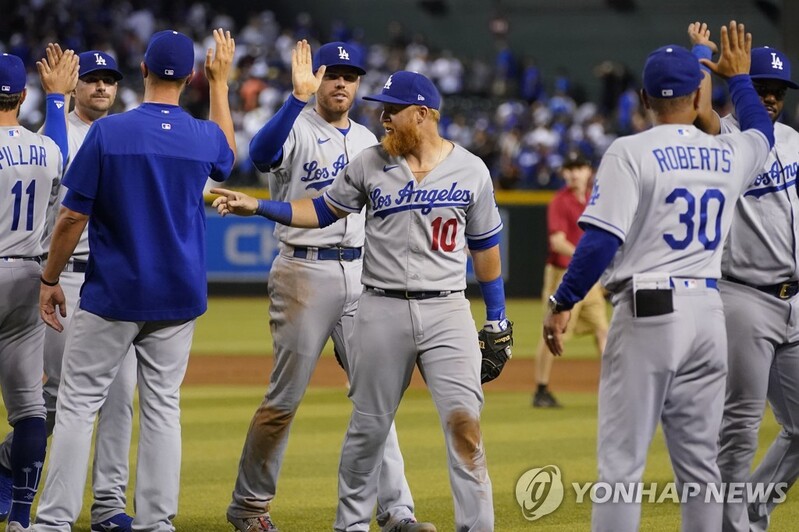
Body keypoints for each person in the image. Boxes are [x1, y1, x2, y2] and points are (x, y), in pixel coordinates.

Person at [212, 70, 506, 531]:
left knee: (465, 425)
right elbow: (322, 209)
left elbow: (486, 247)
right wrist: (260, 206)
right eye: (382, 108)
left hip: (447, 307)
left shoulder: (471, 169)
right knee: (367, 425)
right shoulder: (371, 160)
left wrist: (498, 318)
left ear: (423, 114)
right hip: (377, 303)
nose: (383, 116)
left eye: (393, 109)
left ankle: (446, 521)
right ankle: (345, 524)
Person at [543, 22, 774, 531]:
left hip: (650, 311)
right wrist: (738, 78)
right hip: (709, 314)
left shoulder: (630, 151)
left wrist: (564, 300)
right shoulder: (730, 152)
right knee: (701, 467)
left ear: (644, 98)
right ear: (698, 96)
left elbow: (600, 241)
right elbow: (762, 131)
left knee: (622, 464)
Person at [31, 29, 236, 532]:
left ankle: (54, 522)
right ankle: (156, 522)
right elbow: (228, 158)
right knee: (163, 408)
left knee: (79, 405)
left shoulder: (109, 132)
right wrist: (221, 86)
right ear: (190, 76)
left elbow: (71, 216)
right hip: (179, 295)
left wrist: (50, 277)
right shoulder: (203, 135)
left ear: (142, 70)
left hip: (115, 292)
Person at [225, 40, 430, 532]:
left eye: (350, 76)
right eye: (332, 74)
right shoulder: (295, 126)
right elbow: (260, 155)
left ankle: (396, 509)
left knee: (376, 396)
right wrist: (296, 98)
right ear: (316, 78)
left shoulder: (369, 139)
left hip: (362, 273)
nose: (341, 83)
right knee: (284, 399)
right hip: (303, 272)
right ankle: (248, 507)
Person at [0, 49, 137, 532]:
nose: (101, 86)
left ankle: (109, 505)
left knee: (120, 396)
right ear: (74, 86)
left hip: (113, 276)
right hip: (61, 275)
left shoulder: (124, 135)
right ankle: (10, 465)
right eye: (92, 79)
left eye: (109, 80)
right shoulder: (49, 139)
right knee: (54, 399)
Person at [689, 23, 799, 532]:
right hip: (745, 298)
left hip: (795, 300)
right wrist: (701, 56)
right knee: (739, 428)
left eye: (778, 90)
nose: (771, 98)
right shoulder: (724, 139)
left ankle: (752, 511)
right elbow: (695, 111)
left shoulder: (794, 142)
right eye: (761, 88)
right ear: (741, 87)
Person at [0, 47, 76, 532]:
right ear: (21, 96)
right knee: (30, 410)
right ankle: (22, 518)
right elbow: (62, 151)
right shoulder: (47, 149)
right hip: (29, 278)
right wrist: (57, 99)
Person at [532, 153, 608, 408]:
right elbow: (557, 242)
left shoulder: (594, 198)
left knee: (602, 329)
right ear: (564, 173)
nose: (574, 173)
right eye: (570, 168)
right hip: (562, 275)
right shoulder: (560, 201)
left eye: (579, 168)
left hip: (589, 277)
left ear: (589, 172)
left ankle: (611, 387)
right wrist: (586, 257)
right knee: (554, 331)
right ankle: (541, 389)